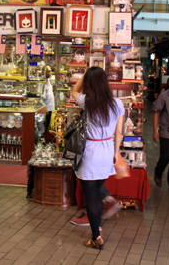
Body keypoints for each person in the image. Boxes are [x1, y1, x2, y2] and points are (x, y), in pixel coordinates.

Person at [70, 67, 124, 250]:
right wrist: (116, 154)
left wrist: (85, 75)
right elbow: (119, 132)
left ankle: (96, 237)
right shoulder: (117, 103)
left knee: (91, 197)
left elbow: (74, 90)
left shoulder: (87, 101)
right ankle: (103, 211)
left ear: (90, 84)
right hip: (107, 150)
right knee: (98, 188)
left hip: (91, 151)